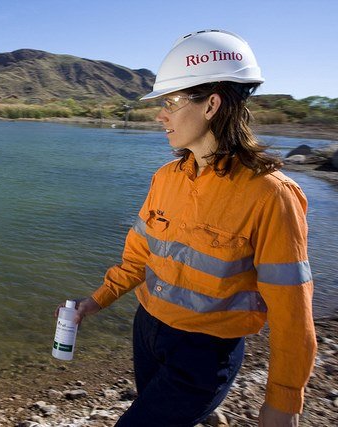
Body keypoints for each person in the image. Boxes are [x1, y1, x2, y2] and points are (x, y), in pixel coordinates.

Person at [57, 29, 316, 426]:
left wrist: (282, 401)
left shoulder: (272, 196)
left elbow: (292, 314)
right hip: (147, 331)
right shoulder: (166, 178)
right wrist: (96, 301)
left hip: (205, 352)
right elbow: (139, 257)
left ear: (212, 104)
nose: (161, 114)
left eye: (171, 102)